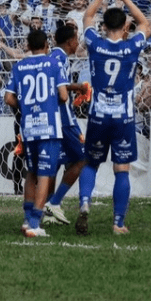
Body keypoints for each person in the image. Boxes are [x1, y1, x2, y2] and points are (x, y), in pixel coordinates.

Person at [77, 0, 151, 236]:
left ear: (103, 27)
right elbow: (146, 24)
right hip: (122, 117)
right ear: (124, 27)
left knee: (91, 162)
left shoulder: (95, 44)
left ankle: (85, 202)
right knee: (121, 169)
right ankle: (118, 222)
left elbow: (87, 16)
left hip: (98, 115)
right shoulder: (131, 45)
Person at [4, 29, 68, 238]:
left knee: (31, 173)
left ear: (28, 46)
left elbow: (8, 98)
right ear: (47, 45)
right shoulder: (54, 64)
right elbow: (64, 96)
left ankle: (26, 218)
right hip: (48, 127)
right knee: (45, 175)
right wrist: (48, 104)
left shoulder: (20, 66)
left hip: (29, 127)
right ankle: (34, 223)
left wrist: (25, 106)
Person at [43, 24, 89, 225]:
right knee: (83, 158)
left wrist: (72, 92)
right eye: (77, 38)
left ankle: (48, 211)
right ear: (70, 41)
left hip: (53, 118)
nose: (78, 42)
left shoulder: (52, 57)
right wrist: (77, 87)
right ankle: (53, 203)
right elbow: (58, 87)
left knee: (56, 164)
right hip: (64, 119)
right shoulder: (59, 58)